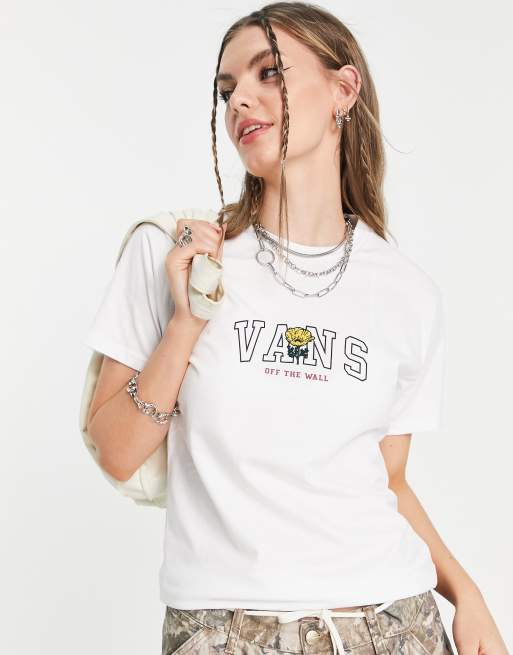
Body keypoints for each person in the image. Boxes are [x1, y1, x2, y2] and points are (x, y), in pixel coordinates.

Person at [83, 3, 508, 654]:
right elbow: (115, 449)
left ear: (343, 90)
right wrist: (187, 322)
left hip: (395, 625)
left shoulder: (407, 292)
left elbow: (388, 481)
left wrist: (466, 593)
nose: (239, 101)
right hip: (229, 632)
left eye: (269, 73)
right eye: (226, 89)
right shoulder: (176, 254)